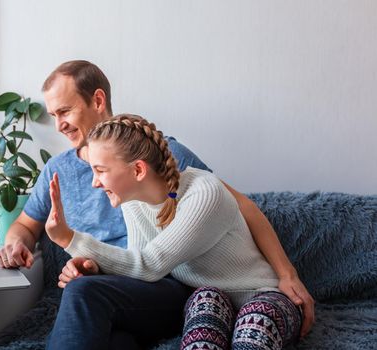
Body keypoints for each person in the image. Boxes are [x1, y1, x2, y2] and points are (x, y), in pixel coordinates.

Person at [0, 60, 314, 342]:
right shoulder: (59, 169)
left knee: (82, 294)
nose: (58, 124)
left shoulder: (158, 155)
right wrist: (17, 243)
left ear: (98, 100)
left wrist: (287, 273)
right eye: (52, 115)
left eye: (64, 111)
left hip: (164, 283)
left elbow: (235, 205)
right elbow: (25, 224)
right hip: (111, 282)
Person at [45, 114, 307, 349]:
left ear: (138, 169)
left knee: (254, 331)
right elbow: (138, 270)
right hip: (208, 295)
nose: (94, 182)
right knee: (202, 313)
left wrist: (69, 238)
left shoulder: (204, 193)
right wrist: (96, 267)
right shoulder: (132, 201)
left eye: (100, 171)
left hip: (260, 293)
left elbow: (150, 264)